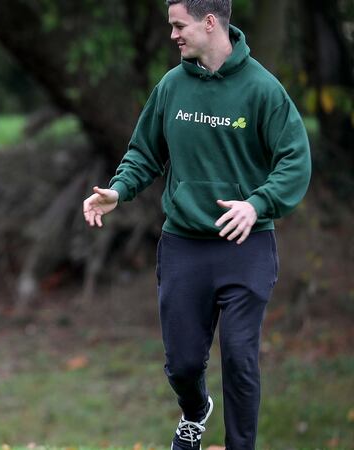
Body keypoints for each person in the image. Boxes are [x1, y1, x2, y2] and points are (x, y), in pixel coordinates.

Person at [82, 1, 311, 449]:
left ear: (210, 23)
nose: (173, 36)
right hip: (184, 245)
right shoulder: (171, 87)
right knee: (184, 364)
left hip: (245, 245)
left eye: (178, 25)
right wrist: (119, 190)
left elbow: (295, 161)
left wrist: (257, 204)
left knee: (241, 360)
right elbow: (145, 152)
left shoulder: (263, 89)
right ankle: (195, 411)